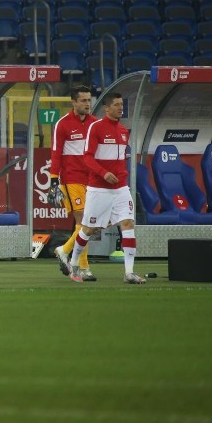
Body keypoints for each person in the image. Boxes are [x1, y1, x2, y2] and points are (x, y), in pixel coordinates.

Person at [69, 92, 146, 284]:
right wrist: (104, 173)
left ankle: (129, 272)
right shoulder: (96, 127)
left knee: (128, 224)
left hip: (121, 188)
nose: (121, 108)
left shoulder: (122, 131)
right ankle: (73, 263)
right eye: (117, 105)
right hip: (99, 188)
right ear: (107, 107)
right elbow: (87, 157)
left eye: (122, 104)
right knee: (88, 229)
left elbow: (118, 158)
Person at [49, 86, 98, 282]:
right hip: (72, 179)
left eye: (89, 100)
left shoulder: (95, 124)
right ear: (74, 102)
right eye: (84, 100)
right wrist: (54, 181)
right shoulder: (62, 124)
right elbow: (55, 153)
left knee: (89, 224)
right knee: (83, 222)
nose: (87, 104)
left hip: (93, 180)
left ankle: (64, 250)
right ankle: (83, 267)